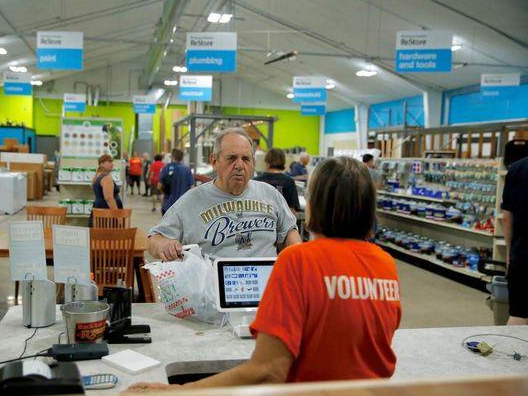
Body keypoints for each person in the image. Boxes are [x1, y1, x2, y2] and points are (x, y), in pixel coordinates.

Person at [130, 156, 401, 391]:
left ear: (315, 205)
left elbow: (267, 370)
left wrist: (178, 391)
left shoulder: (298, 261)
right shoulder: (385, 264)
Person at [148, 128, 301, 261]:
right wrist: (165, 245)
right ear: (214, 161)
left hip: (264, 289)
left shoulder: (270, 194)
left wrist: (296, 258)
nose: (240, 166)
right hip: (213, 290)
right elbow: (154, 239)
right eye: (232, 158)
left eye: (246, 159)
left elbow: (289, 232)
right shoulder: (191, 201)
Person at [501, 156, 528, 325]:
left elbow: (506, 218)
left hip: (523, 255)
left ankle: (513, 351)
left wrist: (510, 254)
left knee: (519, 313)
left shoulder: (517, 169)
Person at [254, 148, 300, 214]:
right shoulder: (289, 182)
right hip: (280, 222)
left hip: (259, 221)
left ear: (267, 161)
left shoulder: (256, 181)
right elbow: (292, 210)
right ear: (283, 161)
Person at [157, 149, 194, 216]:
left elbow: (159, 186)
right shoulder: (187, 170)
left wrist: (164, 193)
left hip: (168, 205)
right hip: (183, 206)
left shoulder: (166, 168)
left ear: (172, 157)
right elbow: (192, 188)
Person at [89, 154, 123, 227]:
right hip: (106, 211)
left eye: (112, 162)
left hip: (99, 208)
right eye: (109, 162)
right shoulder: (106, 177)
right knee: (108, 235)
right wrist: (117, 215)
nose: (112, 164)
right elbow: (109, 198)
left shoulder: (97, 175)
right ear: (102, 164)